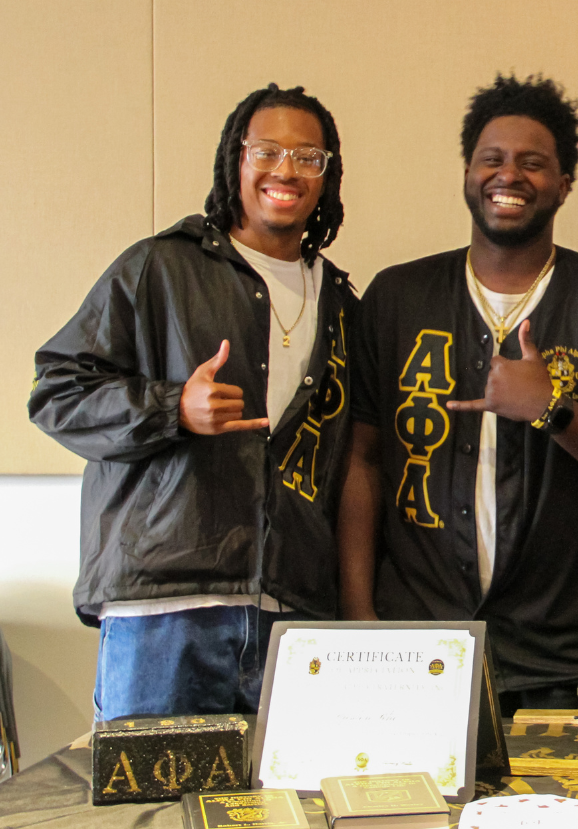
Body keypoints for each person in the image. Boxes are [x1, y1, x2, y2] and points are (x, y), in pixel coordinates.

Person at [338, 74, 578, 716]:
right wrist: (358, 616)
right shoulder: (397, 299)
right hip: (415, 652)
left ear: (564, 183)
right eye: (492, 159)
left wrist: (555, 411)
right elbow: (361, 460)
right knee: (400, 822)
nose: (509, 175)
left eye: (533, 162)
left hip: (573, 664)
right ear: (468, 171)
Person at [29, 85, 355, 719]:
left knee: (286, 817)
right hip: (166, 610)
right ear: (235, 159)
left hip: (293, 616)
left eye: (308, 157)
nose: (285, 170)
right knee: (146, 817)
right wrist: (172, 407)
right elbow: (56, 390)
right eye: (267, 150)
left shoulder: (342, 305)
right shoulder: (160, 268)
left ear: (327, 175)